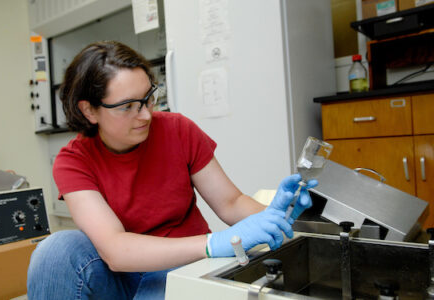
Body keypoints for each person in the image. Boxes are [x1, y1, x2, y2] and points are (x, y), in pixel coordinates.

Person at [27, 40, 317, 300]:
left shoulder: (178, 130)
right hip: (119, 273)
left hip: (184, 261)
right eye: (128, 106)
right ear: (89, 111)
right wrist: (215, 243)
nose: (145, 114)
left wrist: (274, 215)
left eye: (148, 98)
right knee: (55, 250)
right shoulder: (74, 160)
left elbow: (230, 202)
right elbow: (115, 249)